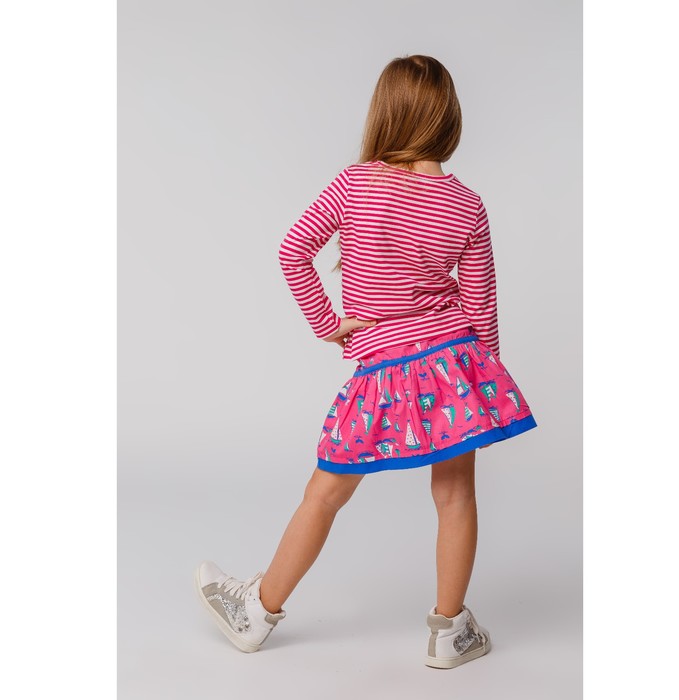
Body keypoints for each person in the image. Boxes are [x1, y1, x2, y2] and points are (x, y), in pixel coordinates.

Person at [194, 54, 538, 669]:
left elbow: (293, 250)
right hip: (454, 363)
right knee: (455, 495)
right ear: (449, 118)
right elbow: (481, 306)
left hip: (383, 373)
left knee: (325, 492)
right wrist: (482, 381)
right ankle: (449, 632)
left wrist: (328, 325)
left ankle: (257, 613)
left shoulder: (356, 183)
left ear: (386, 113)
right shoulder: (466, 204)